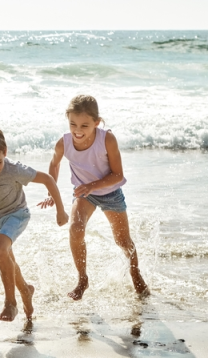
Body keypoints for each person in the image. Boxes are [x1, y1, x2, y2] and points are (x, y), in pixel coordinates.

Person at [41, 95, 149, 300]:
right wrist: (51, 192)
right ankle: (82, 279)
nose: (77, 130)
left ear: (96, 122)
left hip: (110, 192)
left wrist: (92, 185)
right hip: (84, 194)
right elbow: (54, 164)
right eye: (72, 124)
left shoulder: (107, 139)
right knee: (76, 229)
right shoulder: (64, 142)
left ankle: (135, 272)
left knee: (123, 240)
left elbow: (118, 175)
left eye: (84, 125)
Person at [0, 125, 68, 322]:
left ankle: (10, 304)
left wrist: (60, 210)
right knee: (6, 258)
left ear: (5, 152)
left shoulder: (15, 170)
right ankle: (26, 290)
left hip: (16, 214)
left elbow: (47, 179)